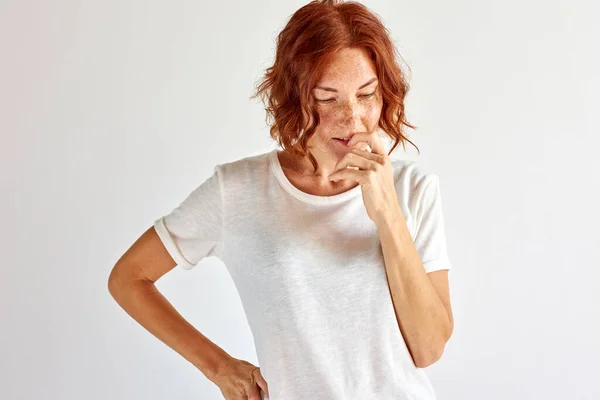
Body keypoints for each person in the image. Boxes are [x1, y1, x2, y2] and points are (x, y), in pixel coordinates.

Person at [108, 1, 454, 399]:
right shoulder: (237, 189)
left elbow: (428, 349)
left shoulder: (413, 188)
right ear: (293, 96)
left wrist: (388, 213)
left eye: (367, 94)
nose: (353, 117)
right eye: (327, 98)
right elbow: (129, 278)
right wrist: (219, 367)